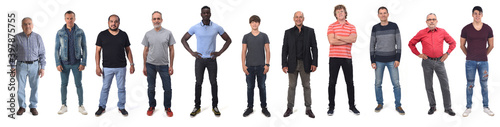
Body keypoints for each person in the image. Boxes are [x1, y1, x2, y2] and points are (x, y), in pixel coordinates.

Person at [181, 6, 232, 117]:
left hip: (211, 60)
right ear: (201, 14)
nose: (206, 15)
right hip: (199, 60)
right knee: (198, 83)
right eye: (204, 13)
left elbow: (228, 40)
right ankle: (197, 106)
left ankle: (215, 106)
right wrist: (191, 52)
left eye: (207, 13)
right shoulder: (195, 27)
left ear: (210, 14)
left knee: (213, 82)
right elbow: (183, 39)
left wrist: (219, 53)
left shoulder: (216, 27)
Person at [408, 13, 456, 116]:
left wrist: (447, 53)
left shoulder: (442, 32)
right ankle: (432, 106)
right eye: (429, 19)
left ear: (436, 21)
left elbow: (453, 43)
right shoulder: (421, 33)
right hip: (427, 62)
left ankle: (448, 107)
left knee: (445, 85)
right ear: (426, 22)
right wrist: (418, 54)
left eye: (433, 19)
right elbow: (411, 43)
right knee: (428, 85)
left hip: (440, 61)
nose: (431, 21)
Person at [94, 14, 135, 116]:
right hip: (107, 67)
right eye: (111, 21)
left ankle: (121, 107)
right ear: (108, 23)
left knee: (121, 88)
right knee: (105, 88)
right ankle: (102, 107)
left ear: (119, 23)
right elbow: (97, 51)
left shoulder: (123, 35)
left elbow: (128, 50)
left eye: (115, 21)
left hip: (121, 67)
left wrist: (132, 64)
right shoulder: (102, 35)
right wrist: (97, 66)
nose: (113, 23)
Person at [282, 11, 318, 118]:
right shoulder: (288, 32)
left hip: (306, 63)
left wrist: (314, 62)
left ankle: (308, 108)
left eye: (300, 17)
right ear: (293, 19)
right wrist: (284, 64)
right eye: (296, 17)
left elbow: (314, 47)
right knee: (291, 86)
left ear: (303, 19)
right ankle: (289, 108)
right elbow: (285, 49)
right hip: (292, 63)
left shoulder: (310, 31)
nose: (298, 19)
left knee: (306, 86)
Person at [459, 6, 495, 117]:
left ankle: (486, 106)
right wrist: (470, 55)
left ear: (482, 15)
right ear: (472, 15)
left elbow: (491, 45)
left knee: (484, 85)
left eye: (479, 13)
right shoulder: (466, 29)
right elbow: (462, 45)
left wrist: (483, 55)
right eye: (475, 13)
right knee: (470, 84)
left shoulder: (488, 28)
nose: (477, 15)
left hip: (484, 62)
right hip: (470, 62)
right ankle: (468, 107)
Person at [369, 7, 404, 115]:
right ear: (378, 15)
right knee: (378, 83)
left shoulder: (394, 26)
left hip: (392, 60)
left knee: (396, 84)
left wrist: (398, 59)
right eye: (381, 13)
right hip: (378, 60)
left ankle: (398, 105)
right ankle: (380, 103)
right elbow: (372, 45)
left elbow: (399, 43)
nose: (383, 15)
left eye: (385, 13)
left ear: (388, 14)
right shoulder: (375, 28)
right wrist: (372, 60)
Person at [327, 4, 360, 116]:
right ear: (335, 14)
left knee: (350, 83)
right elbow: (332, 41)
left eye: (342, 11)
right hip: (334, 57)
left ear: (345, 13)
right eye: (338, 12)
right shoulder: (331, 26)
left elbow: (354, 39)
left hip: (347, 58)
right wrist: (347, 40)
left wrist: (339, 37)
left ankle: (352, 106)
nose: (340, 13)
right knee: (332, 83)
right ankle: (331, 107)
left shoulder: (351, 26)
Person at [10, 17, 46, 116]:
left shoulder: (38, 37)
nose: (27, 26)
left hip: (34, 65)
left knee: (34, 87)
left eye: (29, 24)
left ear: (32, 25)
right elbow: (12, 53)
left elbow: (42, 53)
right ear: (22, 26)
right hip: (21, 65)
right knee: (21, 87)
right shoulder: (17, 37)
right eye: (25, 24)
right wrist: (12, 67)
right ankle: (22, 106)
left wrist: (42, 67)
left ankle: (33, 106)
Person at [142, 11, 176, 117]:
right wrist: (144, 66)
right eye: (154, 19)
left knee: (167, 88)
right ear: (152, 20)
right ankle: (152, 106)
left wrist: (171, 65)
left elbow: (172, 49)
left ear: (161, 20)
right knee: (151, 87)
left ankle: (167, 107)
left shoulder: (168, 33)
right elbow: (145, 51)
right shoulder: (148, 34)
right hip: (150, 64)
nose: (156, 21)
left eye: (158, 18)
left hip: (164, 65)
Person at [55, 10, 88, 115]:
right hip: (64, 63)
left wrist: (83, 62)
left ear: (75, 18)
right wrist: (57, 63)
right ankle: (63, 105)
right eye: (68, 18)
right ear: (65, 19)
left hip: (77, 63)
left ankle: (81, 105)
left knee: (78, 84)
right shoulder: (60, 32)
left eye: (71, 18)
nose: (69, 20)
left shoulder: (80, 32)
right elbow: (56, 49)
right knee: (63, 84)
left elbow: (84, 47)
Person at [241, 15, 271, 117]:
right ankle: (249, 107)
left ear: (259, 23)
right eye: (252, 22)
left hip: (261, 67)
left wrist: (267, 64)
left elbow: (267, 50)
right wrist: (243, 65)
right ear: (250, 23)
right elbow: (244, 51)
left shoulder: (264, 36)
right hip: (249, 66)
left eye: (256, 22)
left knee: (262, 87)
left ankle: (264, 107)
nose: (254, 24)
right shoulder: (246, 36)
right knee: (250, 87)